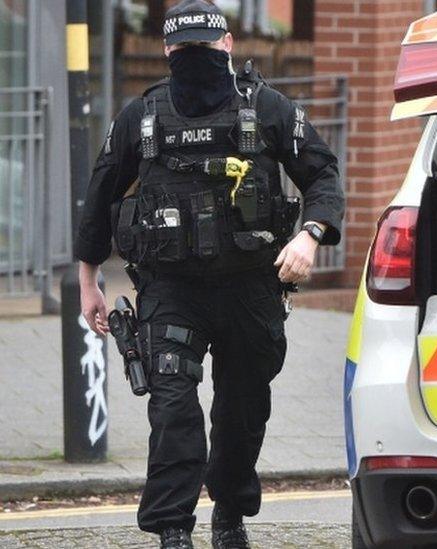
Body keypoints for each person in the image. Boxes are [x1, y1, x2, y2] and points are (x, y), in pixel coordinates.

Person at [74, 1, 344, 547]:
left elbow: (323, 175)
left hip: (250, 287)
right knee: (172, 406)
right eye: (185, 48)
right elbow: (100, 196)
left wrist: (310, 235)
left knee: (242, 413)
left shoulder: (267, 110)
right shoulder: (141, 119)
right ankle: (173, 528)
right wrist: (88, 281)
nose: (196, 57)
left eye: (205, 46)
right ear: (168, 52)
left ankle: (230, 514)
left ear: (226, 46)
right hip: (171, 290)